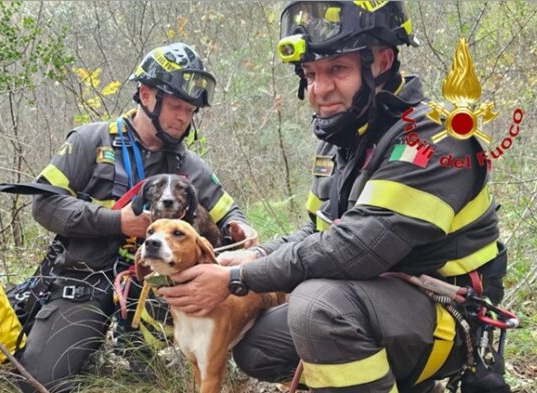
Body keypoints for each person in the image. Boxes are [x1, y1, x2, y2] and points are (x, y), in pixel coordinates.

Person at [160, 2, 508, 392]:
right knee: (259, 347)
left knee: (316, 306)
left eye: (337, 70)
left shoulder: (432, 138)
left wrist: (237, 278)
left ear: (382, 61)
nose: (319, 89)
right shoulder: (343, 141)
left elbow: (356, 248)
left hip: (447, 313)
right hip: (382, 301)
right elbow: (317, 230)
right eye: (310, 74)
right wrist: (256, 254)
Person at [19, 42, 257, 392]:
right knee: (39, 381)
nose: (183, 118)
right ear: (146, 95)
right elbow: (43, 204)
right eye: (177, 107)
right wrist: (117, 223)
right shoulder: (91, 140)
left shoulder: (187, 164)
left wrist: (240, 225)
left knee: (142, 381)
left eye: (191, 111)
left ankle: (144, 356)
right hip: (86, 280)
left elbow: (227, 211)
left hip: (157, 285)